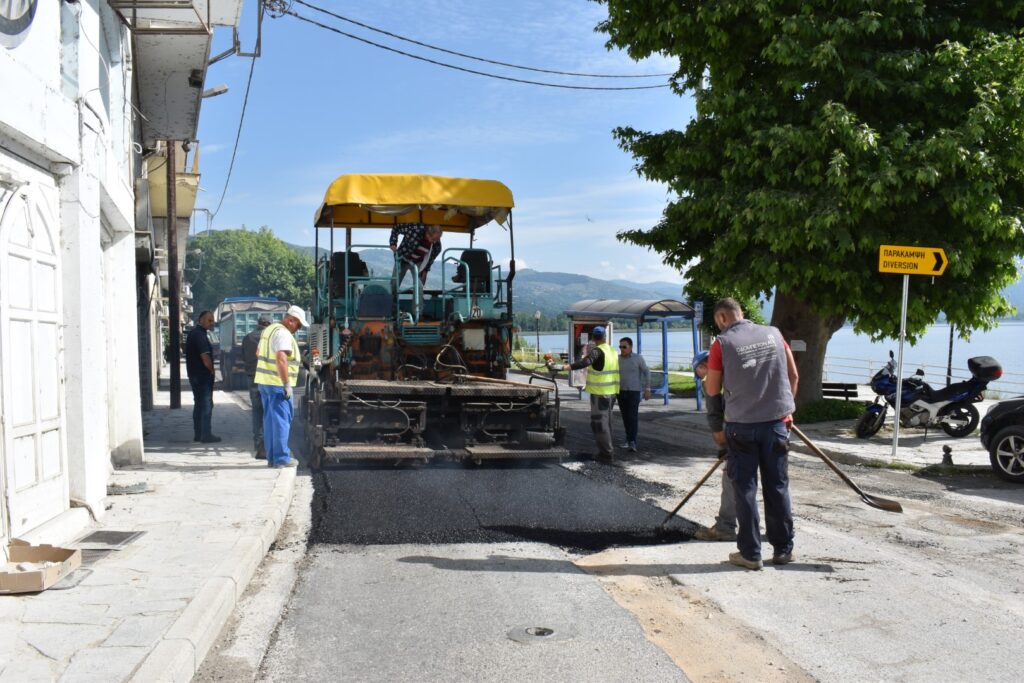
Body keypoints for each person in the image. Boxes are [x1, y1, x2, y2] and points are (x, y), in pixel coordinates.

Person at [703, 298, 799, 570]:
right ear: (741, 313)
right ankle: (783, 550)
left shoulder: (721, 343)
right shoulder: (774, 334)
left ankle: (750, 553)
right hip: (776, 424)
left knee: (745, 488)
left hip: (741, 427)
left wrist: (716, 426)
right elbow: (793, 376)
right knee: (777, 486)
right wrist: (786, 410)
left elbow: (712, 389)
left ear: (722, 318)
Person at [546, 326, 619, 463]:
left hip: (600, 394)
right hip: (611, 393)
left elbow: (585, 362)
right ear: (605, 337)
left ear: (593, 337)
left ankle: (606, 454)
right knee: (607, 423)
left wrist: (563, 367)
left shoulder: (598, 351)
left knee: (599, 424)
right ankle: (607, 451)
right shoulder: (612, 350)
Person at [255, 305, 308, 469]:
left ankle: (272, 458)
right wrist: (286, 384)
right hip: (277, 384)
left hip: (265, 382)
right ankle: (281, 458)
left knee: (270, 421)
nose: (298, 329)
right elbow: (281, 358)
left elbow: (258, 352)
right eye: (298, 325)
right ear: (291, 320)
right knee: (281, 421)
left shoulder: (269, 330)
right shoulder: (283, 333)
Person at [692, 350, 737, 542]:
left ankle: (725, 527)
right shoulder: (737, 370)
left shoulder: (711, 378)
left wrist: (722, 444)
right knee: (774, 481)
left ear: (703, 366)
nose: (700, 378)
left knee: (732, 479)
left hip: (738, 431)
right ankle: (779, 531)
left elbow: (714, 413)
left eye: (698, 373)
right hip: (769, 426)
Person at [185, 310, 221, 443]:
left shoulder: (194, 333)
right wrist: (212, 371)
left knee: (199, 404)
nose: (212, 323)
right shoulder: (200, 335)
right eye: (209, 320)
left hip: (194, 374)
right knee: (206, 405)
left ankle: (198, 434)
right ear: (201, 320)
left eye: (213, 321)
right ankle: (206, 434)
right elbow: (205, 358)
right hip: (202, 376)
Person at [242, 315, 272, 460]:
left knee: (257, 411)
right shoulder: (271, 338)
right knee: (269, 412)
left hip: (252, 377)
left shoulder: (247, 337)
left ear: (258, 323)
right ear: (269, 324)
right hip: (267, 377)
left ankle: (258, 444)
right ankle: (267, 445)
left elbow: (244, 356)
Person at [616, 337, 651, 452]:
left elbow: (646, 371)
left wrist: (647, 388)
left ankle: (632, 441)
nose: (622, 349)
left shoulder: (638, 358)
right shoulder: (617, 359)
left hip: (634, 392)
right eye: (620, 347)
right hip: (621, 392)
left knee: (632, 416)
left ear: (630, 347)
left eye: (624, 347)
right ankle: (628, 439)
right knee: (625, 417)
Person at [389, 223, 443, 291]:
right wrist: (393, 243)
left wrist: (425, 271)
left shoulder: (437, 246)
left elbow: (430, 259)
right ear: (428, 233)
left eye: (437, 240)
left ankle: (418, 298)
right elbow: (396, 227)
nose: (434, 242)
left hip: (417, 262)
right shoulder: (415, 229)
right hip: (402, 259)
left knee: (419, 286)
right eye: (433, 239)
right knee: (394, 284)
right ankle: (392, 297)